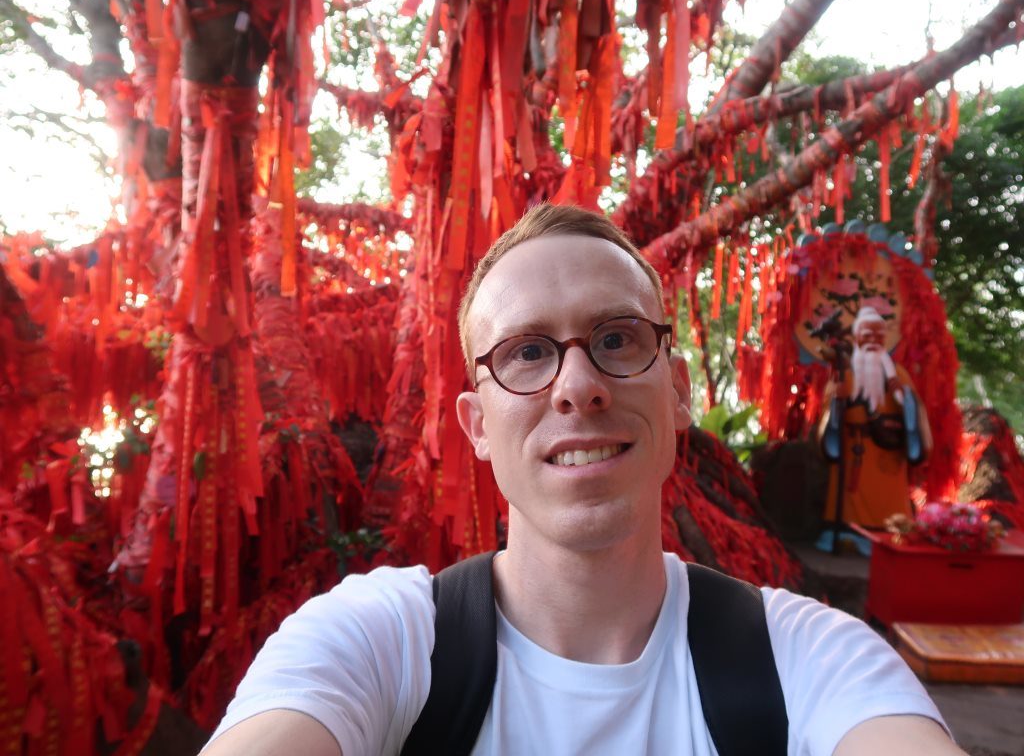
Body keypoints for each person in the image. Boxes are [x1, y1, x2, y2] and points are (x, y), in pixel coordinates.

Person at [203, 205, 961, 756]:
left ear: (681, 391)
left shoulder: (809, 659)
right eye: (527, 353)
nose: (577, 386)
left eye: (616, 338)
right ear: (475, 426)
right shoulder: (378, 643)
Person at [819, 306, 933, 530]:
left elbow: (915, 408)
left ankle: (892, 531)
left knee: (889, 502)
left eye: (878, 336)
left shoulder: (897, 373)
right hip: (854, 449)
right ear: (856, 338)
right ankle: (846, 533)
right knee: (848, 497)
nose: (873, 340)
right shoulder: (845, 372)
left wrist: (902, 396)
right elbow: (828, 408)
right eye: (867, 335)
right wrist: (837, 400)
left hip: (887, 448)